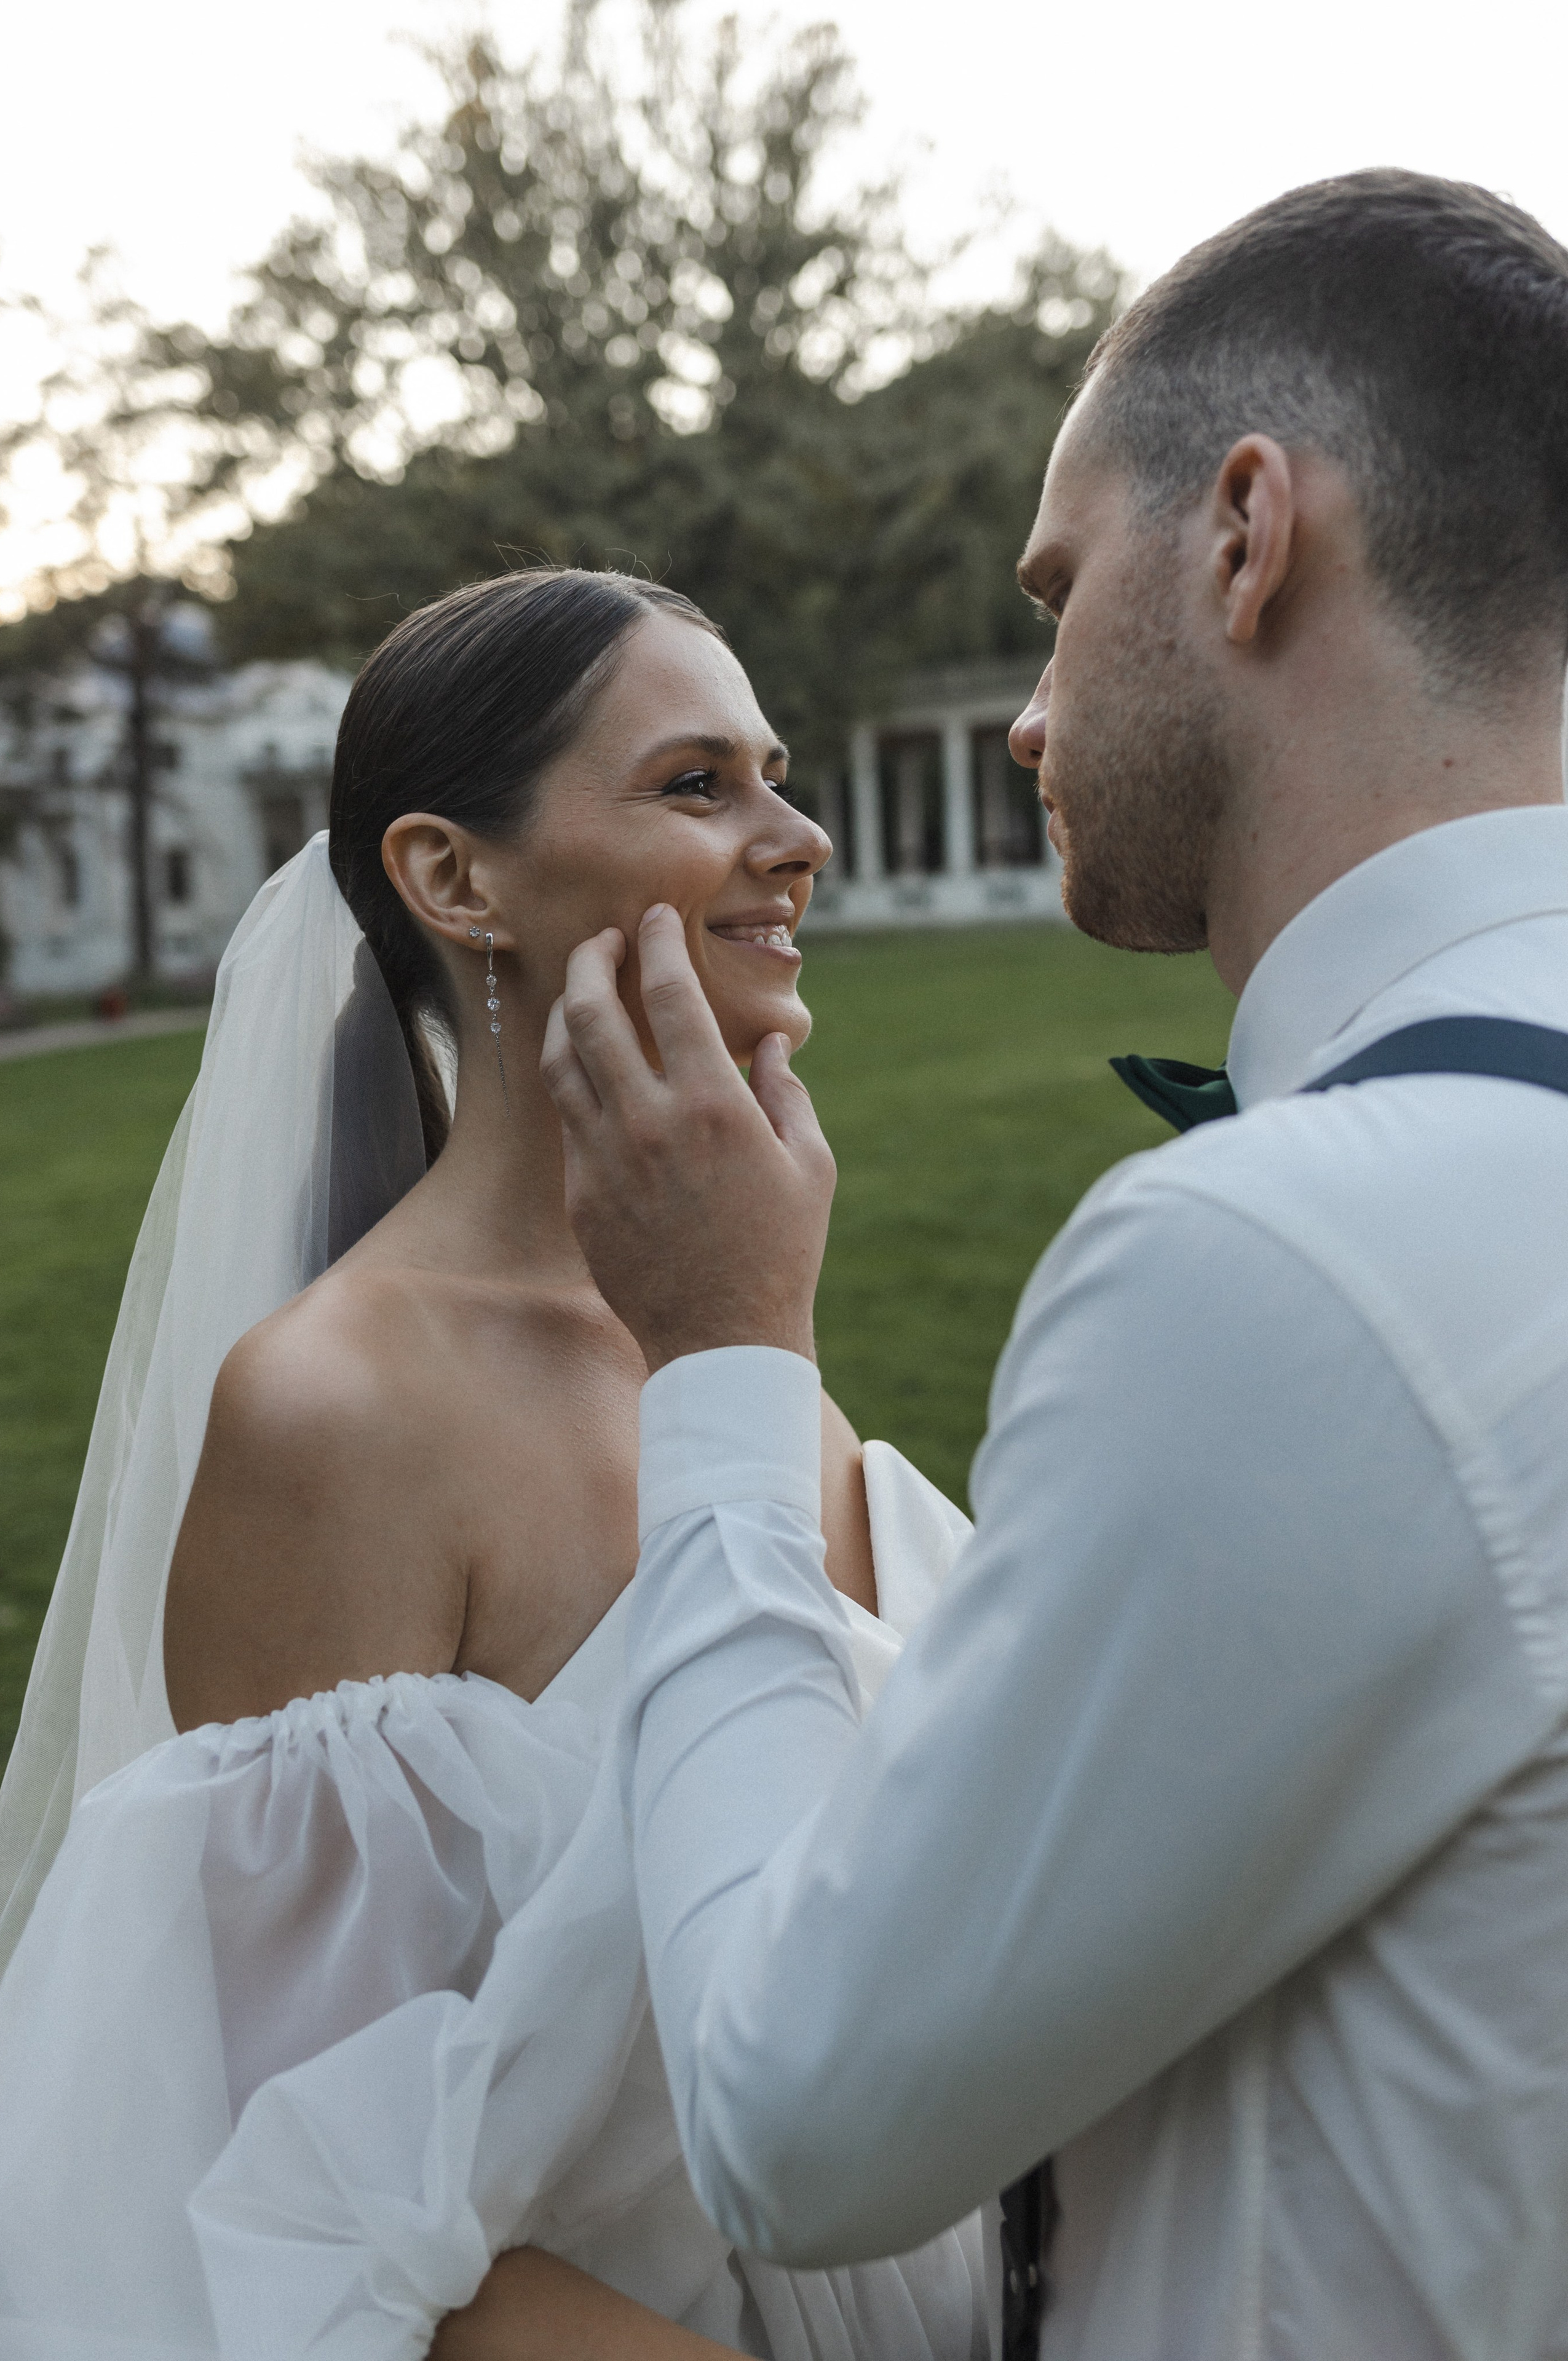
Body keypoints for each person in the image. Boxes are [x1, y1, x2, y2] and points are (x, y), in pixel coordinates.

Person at [539, 170, 1568, 2358]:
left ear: (1244, 532)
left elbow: (793, 2129)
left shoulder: (1289, 1262)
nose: (1027, 711)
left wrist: (727, 1354)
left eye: (1058, 587)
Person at [0, 569, 991, 2360]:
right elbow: (311, 2216)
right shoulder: (343, 1416)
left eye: (774, 774)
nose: (800, 837)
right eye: (700, 786)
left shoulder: (755, 1355)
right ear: (457, 881)